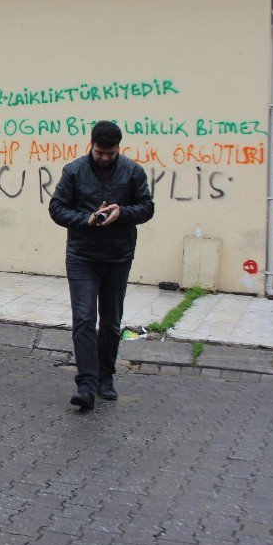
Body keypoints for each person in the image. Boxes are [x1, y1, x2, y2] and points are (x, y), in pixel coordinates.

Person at [48, 120, 155, 410]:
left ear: (119, 148)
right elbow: (56, 208)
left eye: (111, 153)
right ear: (91, 145)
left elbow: (147, 207)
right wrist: (86, 218)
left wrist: (122, 212)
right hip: (82, 256)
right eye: (100, 152)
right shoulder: (73, 171)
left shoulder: (133, 171)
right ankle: (86, 384)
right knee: (84, 319)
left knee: (110, 322)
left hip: (118, 257)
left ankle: (106, 377)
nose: (105, 158)